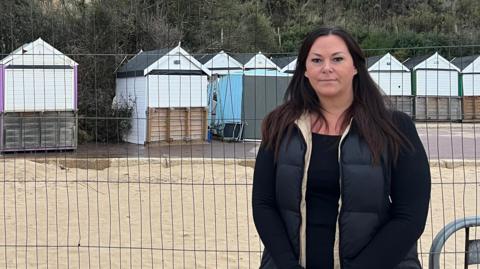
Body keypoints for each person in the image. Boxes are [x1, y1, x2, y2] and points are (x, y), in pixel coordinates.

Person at [252, 26, 431, 269]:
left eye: (337, 59)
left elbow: (410, 216)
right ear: (305, 70)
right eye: (316, 60)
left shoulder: (394, 127)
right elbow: (264, 204)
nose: (327, 68)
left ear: (355, 66)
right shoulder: (280, 125)